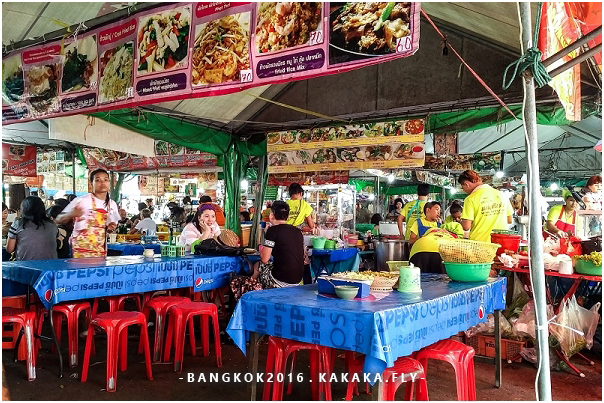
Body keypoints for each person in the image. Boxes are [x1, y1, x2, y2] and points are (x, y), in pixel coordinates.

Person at [56, 169, 120, 258]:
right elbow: (58, 219)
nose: (102, 183)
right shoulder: (81, 200)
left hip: (100, 249)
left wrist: (110, 228)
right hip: (79, 249)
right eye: (98, 180)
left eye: (105, 180)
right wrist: (71, 214)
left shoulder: (112, 204)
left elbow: (111, 227)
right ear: (91, 183)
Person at [253, 201, 305, 289]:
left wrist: (265, 240)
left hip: (280, 281)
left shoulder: (272, 231)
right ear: (288, 217)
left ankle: (250, 289)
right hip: (298, 280)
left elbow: (264, 259)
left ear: (271, 215)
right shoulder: (297, 231)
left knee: (257, 266)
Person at [458, 170, 513, 242]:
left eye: (463, 188)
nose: (464, 190)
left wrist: (460, 221)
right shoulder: (501, 195)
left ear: (466, 184)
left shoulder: (470, 199)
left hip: (480, 244)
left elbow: (466, 227)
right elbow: (509, 220)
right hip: (500, 242)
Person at [6, 196, 58, 260]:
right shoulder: (52, 225)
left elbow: (9, 249)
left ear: (23, 209)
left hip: (26, 266)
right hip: (50, 266)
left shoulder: (18, 224)